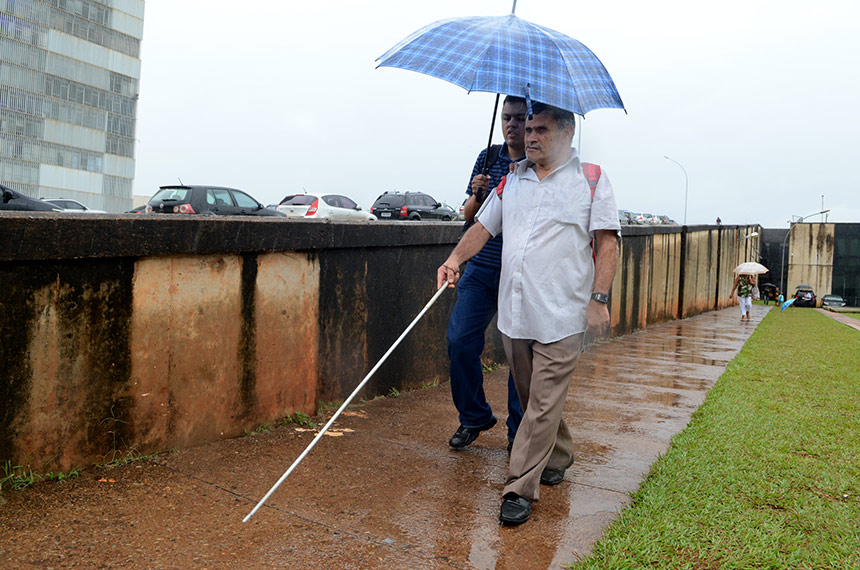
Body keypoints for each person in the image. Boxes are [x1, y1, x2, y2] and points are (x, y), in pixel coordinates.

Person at [437, 101, 620, 525]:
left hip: (563, 314)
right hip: (516, 315)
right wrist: (454, 260)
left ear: (567, 134)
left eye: (540, 130)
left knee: (538, 404)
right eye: (529, 129)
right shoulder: (510, 182)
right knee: (531, 398)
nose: (530, 136)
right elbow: (482, 228)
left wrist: (600, 298)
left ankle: (519, 486)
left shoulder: (591, 180)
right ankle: (559, 454)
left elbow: (608, 244)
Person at [446, 96, 527, 452]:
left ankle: (517, 432)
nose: (512, 125)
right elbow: (469, 216)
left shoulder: (534, 163)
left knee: (518, 354)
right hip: (481, 266)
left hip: (517, 270)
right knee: (460, 340)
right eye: (507, 118)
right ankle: (474, 415)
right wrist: (478, 194)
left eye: (520, 119)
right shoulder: (488, 157)